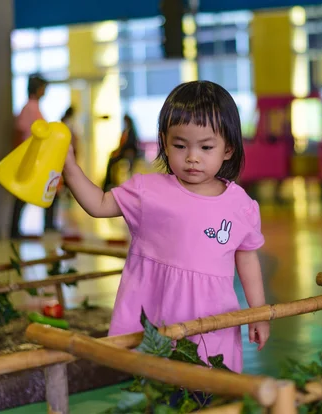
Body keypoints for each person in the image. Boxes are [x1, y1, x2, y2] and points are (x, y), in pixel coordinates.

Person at [63, 80, 269, 372]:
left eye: (206, 147)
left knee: (210, 388)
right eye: (180, 145)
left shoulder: (241, 205)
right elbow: (99, 204)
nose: (192, 157)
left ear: (228, 149)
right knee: (158, 389)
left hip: (213, 317)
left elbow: (246, 256)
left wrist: (259, 313)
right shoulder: (148, 191)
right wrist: (71, 169)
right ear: (164, 141)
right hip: (157, 314)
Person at [10, 74, 57, 238]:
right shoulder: (29, 108)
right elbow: (20, 132)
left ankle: (47, 224)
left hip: (36, 157)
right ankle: (15, 229)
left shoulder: (34, 107)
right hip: (30, 157)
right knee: (25, 193)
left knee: (46, 189)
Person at [102, 114, 144, 192]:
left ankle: (109, 182)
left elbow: (130, 144)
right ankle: (109, 181)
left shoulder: (131, 132)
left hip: (127, 153)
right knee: (111, 159)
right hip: (123, 152)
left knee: (112, 161)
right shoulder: (125, 131)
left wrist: (120, 151)